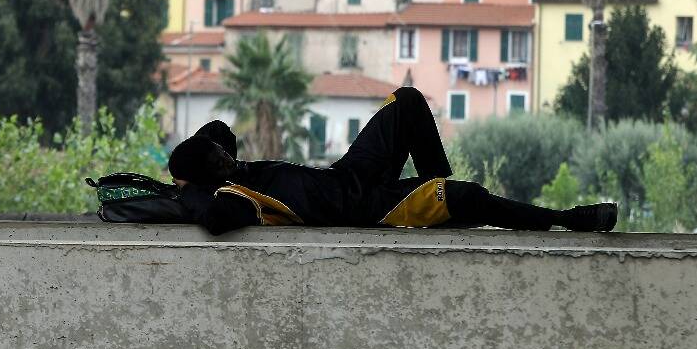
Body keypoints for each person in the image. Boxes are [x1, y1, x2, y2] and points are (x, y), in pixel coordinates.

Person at [167, 88, 617, 236]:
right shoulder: (229, 197)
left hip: (348, 175)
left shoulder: (233, 168)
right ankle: (564, 220)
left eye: (224, 153)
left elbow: (222, 131)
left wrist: (205, 150)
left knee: (407, 101)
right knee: (471, 197)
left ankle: (436, 193)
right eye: (217, 158)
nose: (227, 156)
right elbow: (212, 220)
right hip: (369, 209)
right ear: (206, 175)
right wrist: (187, 188)